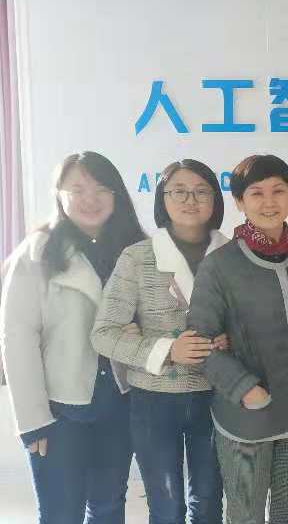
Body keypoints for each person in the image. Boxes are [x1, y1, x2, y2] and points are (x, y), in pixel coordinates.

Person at [0, 151, 146, 523]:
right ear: (59, 195)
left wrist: (139, 334)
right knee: (60, 514)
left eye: (101, 189)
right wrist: (32, 420)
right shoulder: (36, 253)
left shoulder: (136, 250)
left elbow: (158, 318)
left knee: (109, 507)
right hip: (58, 411)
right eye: (77, 190)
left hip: (119, 402)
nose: (89, 199)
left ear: (116, 194)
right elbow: (17, 340)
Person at [188, 154, 288, 524]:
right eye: (256, 193)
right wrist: (243, 387)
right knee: (246, 513)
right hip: (247, 418)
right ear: (240, 202)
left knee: (287, 511)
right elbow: (200, 341)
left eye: (278, 191)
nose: (269, 202)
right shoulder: (219, 265)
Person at [92, 159, 228, 524]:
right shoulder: (137, 257)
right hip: (154, 399)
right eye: (178, 191)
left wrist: (234, 339)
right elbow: (103, 333)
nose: (190, 200)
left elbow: (252, 325)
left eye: (201, 191)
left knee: (209, 501)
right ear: (162, 199)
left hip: (219, 395)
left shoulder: (233, 253)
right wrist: (167, 350)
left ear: (215, 199)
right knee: (166, 506)